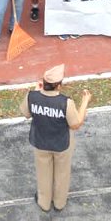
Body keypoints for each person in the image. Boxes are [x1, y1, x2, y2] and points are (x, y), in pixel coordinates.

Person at [20, 64, 92, 212]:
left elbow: (26, 113)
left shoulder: (32, 96)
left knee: (43, 173)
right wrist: (85, 102)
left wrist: (35, 90)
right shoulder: (65, 102)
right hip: (61, 143)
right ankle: (59, 203)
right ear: (58, 86)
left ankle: (44, 202)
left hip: (40, 141)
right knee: (62, 173)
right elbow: (75, 124)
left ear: (43, 83)